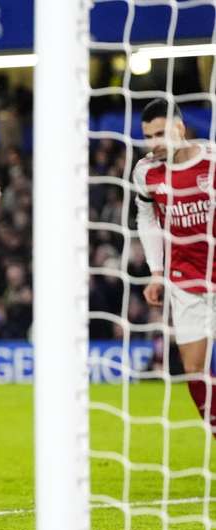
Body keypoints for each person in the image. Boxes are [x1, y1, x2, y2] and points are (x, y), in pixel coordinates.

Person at [133, 98, 216, 436]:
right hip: (186, 280)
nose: (154, 143)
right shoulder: (146, 171)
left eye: (160, 134)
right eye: (149, 136)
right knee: (194, 369)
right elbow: (147, 218)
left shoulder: (211, 160)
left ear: (180, 128)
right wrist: (156, 271)